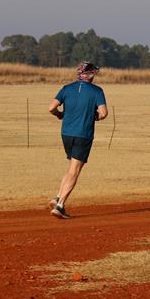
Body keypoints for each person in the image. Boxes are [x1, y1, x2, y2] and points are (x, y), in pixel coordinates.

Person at [47, 61, 108, 219]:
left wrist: (60, 115)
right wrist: (95, 116)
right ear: (90, 75)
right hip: (83, 134)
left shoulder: (66, 88)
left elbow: (51, 108)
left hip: (66, 133)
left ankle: (57, 197)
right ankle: (60, 205)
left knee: (71, 167)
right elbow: (103, 113)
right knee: (75, 171)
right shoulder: (97, 91)